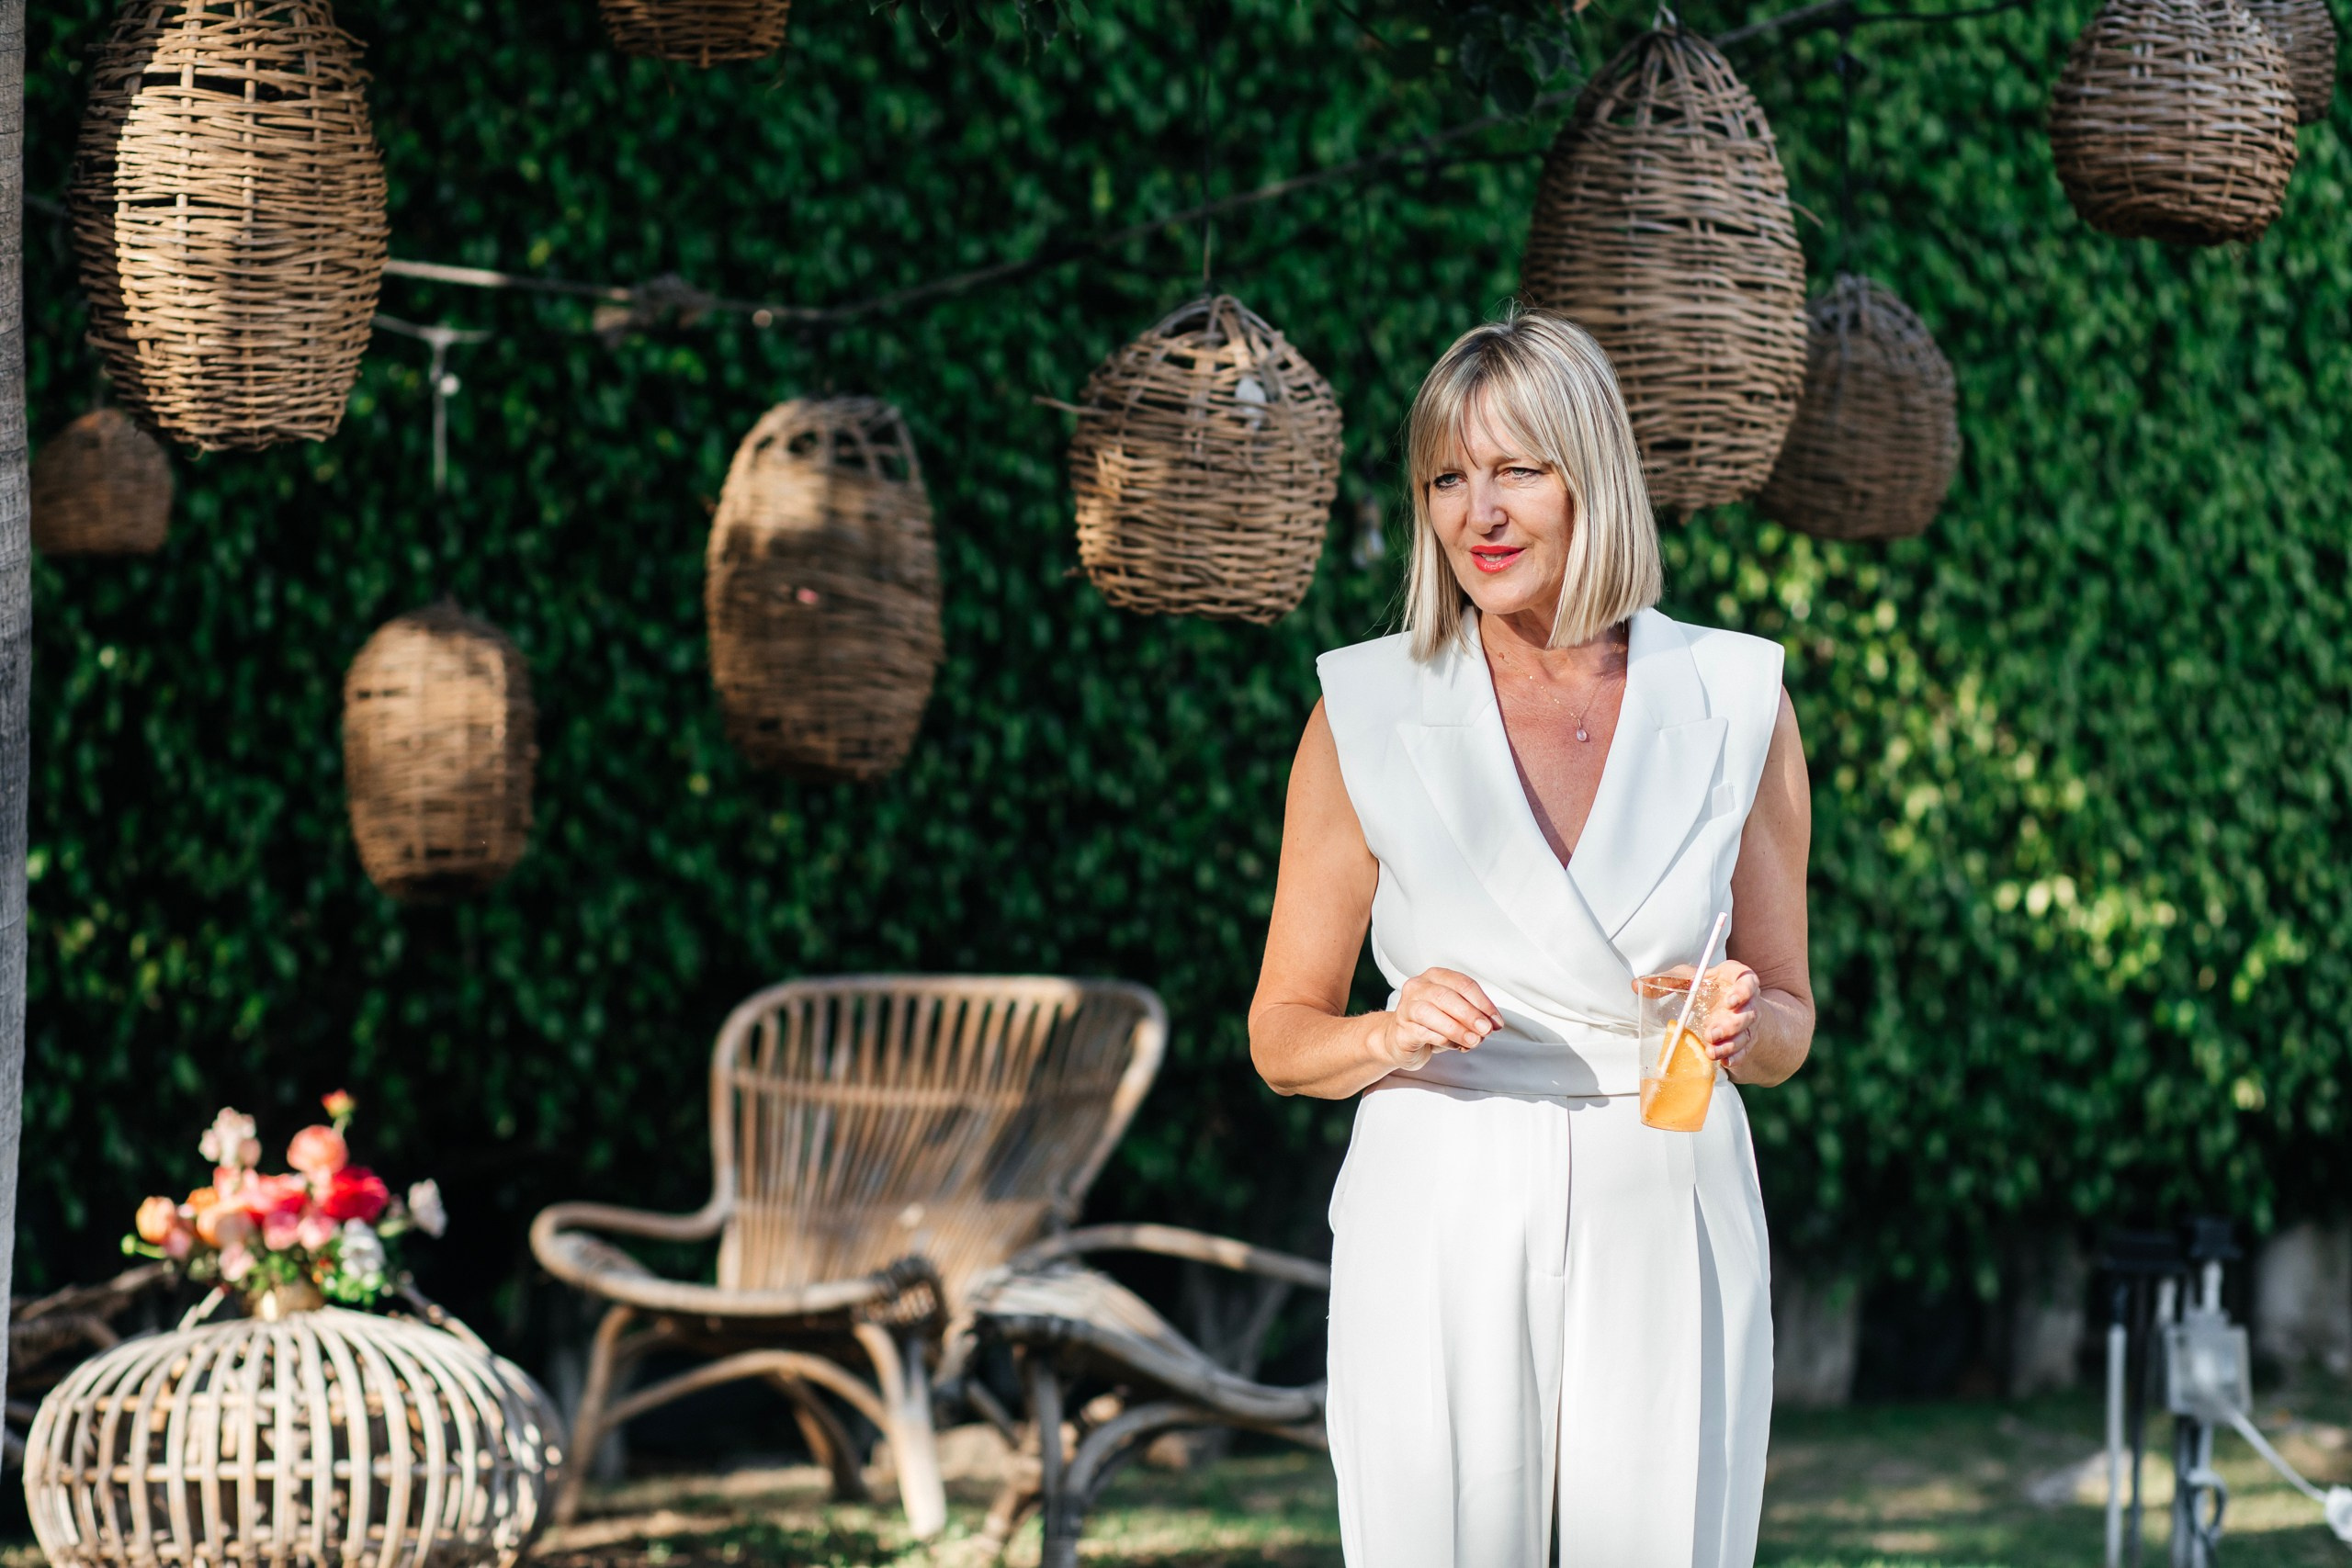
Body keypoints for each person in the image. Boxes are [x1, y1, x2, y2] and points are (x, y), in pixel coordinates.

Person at [1249, 310, 1815, 1567]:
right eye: (1448, 478)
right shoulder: (1366, 709)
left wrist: (1741, 1017)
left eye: (1518, 469)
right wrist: (1389, 1032)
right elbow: (1283, 1036)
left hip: (1668, 1183)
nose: (1478, 512)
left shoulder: (1735, 699)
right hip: (1436, 1186)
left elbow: (1788, 1023)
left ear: (1592, 478)